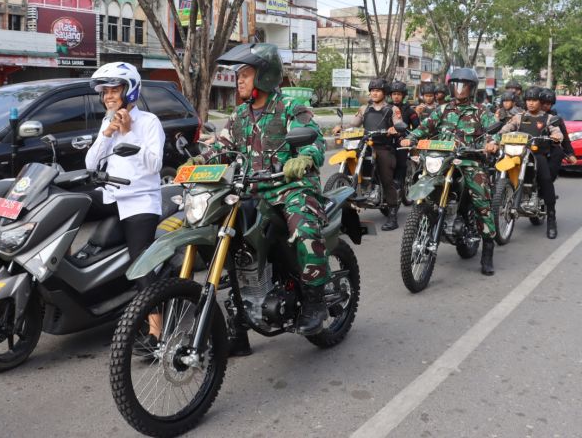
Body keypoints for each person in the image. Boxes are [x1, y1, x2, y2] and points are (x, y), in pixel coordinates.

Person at [188, 42, 328, 349]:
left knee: (303, 228)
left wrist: (303, 159)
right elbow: (222, 148)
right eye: (239, 75)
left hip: (289, 188)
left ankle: (316, 300)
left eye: (246, 74)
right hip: (249, 189)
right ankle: (238, 323)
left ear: (264, 76)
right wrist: (198, 161)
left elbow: (315, 140)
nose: (239, 81)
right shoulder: (238, 115)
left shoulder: (290, 108)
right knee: (227, 242)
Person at [84, 62, 165, 343]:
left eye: (114, 90)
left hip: (140, 201)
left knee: (140, 264)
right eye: (104, 92)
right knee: (72, 205)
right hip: (111, 196)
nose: (108, 96)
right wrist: (107, 135)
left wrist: (129, 133)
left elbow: (155, 165)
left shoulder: (149, 123)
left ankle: (156, 331)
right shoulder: (107, 122)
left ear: (129, 90)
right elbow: (91, 163)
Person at [401, 68, 499, 275]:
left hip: (469, 161)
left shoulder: (481, 111)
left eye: (463, 85)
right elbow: (425, 127)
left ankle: (488, 250)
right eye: (456, 85)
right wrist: (411, 137)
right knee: (422, 180)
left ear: (471, 88)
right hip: (442, 160)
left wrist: (492, 143)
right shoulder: (443, 109)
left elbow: (494, 133)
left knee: (482, 202)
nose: (459, 89)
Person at [492, 87, 563, 239]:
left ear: (540, 102)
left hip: (537, 155)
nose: (531, 103)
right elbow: (507, 128)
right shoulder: (519, 116)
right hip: (517, 153)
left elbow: (556, 131)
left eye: (534, 100)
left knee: (546, 180)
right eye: (528, 100)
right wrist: (496, 137)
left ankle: (551, 219)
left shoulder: (548, 118)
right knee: (496, 169)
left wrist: (556, 136)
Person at [342, 78, 403, 231]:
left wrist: (394, 129)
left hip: (383, 148)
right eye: (372, 90)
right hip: (365, 146)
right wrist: (341, 127)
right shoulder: (364, 109)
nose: (374, 93)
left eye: (378, 90)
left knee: (386, 178)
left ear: (384, 93)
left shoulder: (392, 109)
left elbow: (398, 123)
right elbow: (353, 124)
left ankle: (393, 215)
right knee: (347, 167)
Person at [389, 80, 418, 202]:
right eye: (394, 94)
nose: (396, 96)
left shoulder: (410, 111)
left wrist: (409, 138)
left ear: (404, 96)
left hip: (403, 141)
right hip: (387, 140)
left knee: (401, 162)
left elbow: (417, 128)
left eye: (399, 94)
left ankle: (398, 183)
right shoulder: (387, 108)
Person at [539, 88, 576, 182]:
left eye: (548, 104)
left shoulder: (555, 118)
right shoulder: (525, 114)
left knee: (558, 153)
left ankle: (547, 184)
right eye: (542, 103)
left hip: (548, 146)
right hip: (529, 145)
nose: (544, 106)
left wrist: (570, 153)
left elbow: (564, 137)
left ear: (551, 105)